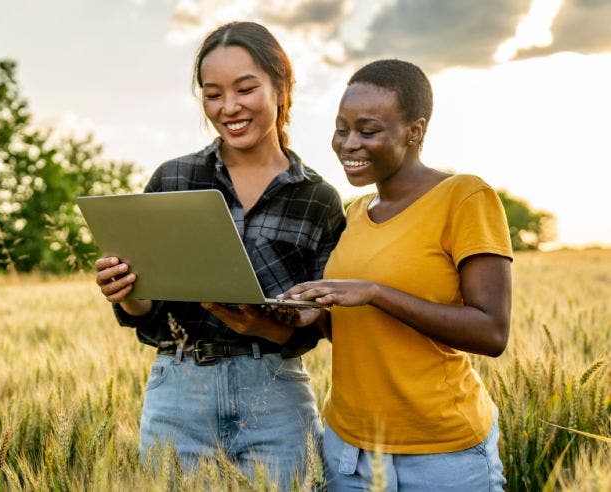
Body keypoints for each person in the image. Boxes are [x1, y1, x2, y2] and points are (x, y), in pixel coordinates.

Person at [235, 59, 512, 490]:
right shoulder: (356, 214)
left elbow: (492, 332)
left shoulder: (464, 196)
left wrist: (375, 292)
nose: (349, 143)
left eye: (368, 131)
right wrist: (316, 316)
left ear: (414, 131)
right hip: (349, 451)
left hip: (440, 454)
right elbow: (363, 329)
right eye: (341, 129)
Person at [93, 21, 345, 488]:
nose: (229, 107)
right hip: (179, 390)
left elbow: (331, 321)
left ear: (281, 86)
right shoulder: (174, 179)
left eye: (245, 89)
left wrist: (286, 319)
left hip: (275, 392)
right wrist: (126, 293)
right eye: (212, 94)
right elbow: (147, 311)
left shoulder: (318, 199)